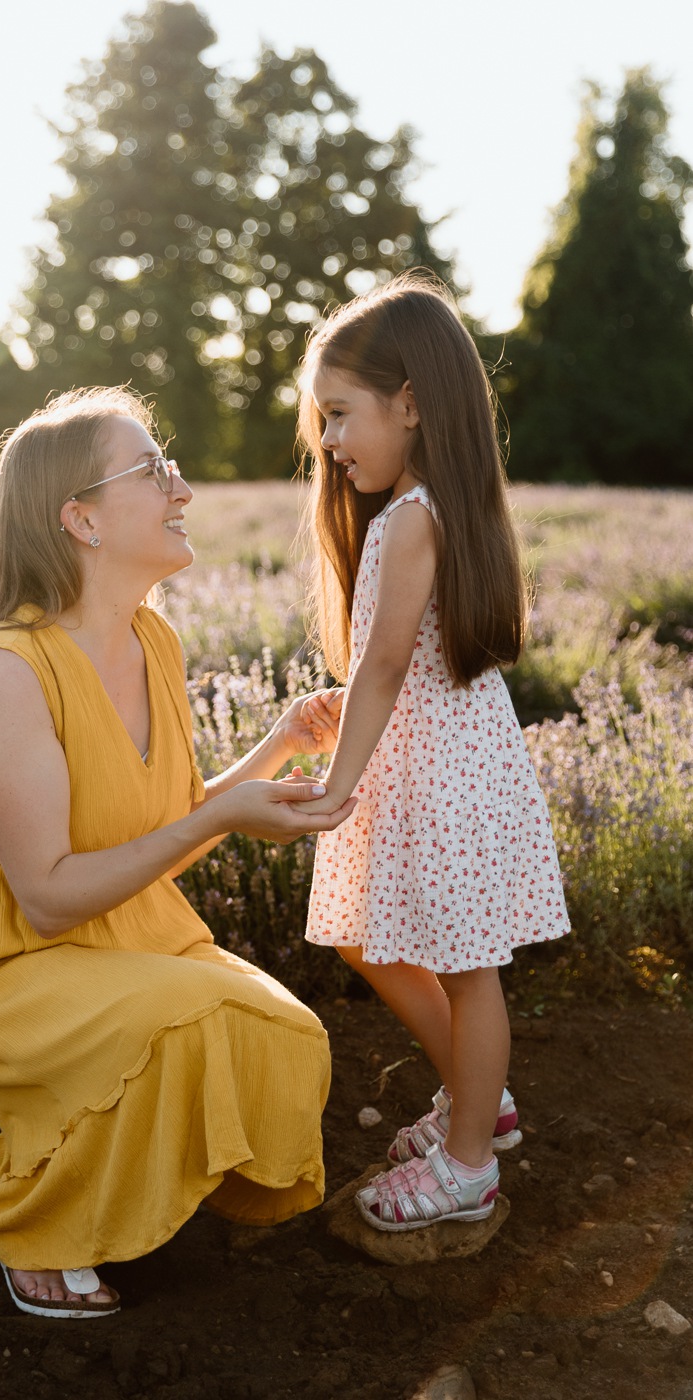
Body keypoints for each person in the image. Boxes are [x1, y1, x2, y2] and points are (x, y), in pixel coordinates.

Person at [0, 386, 354, 1318]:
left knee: (287, 1035)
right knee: (185, 1023)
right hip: (3, 964)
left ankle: (136, 1181)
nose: (181, 487)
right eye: (154, 470)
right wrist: (223, 821)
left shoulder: (152, 639)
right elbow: (52, 900)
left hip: (123, 932)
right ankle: (28, 1213)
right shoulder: (4, 673)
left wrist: (277, 745)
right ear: (81, 519)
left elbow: (158, 826)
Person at [293, 272, 570, 1233]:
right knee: (368, 933)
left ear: (409, 403)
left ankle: (467, 1167)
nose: (328, 442)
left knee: (466, 965)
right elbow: (393, 664)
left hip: (437, 773)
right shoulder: (422, 508)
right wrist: (354, 713)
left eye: (339, 414)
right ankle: (476, 1092)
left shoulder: (412, 519)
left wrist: (335, 788)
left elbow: (379, 670)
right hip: (440, 752)